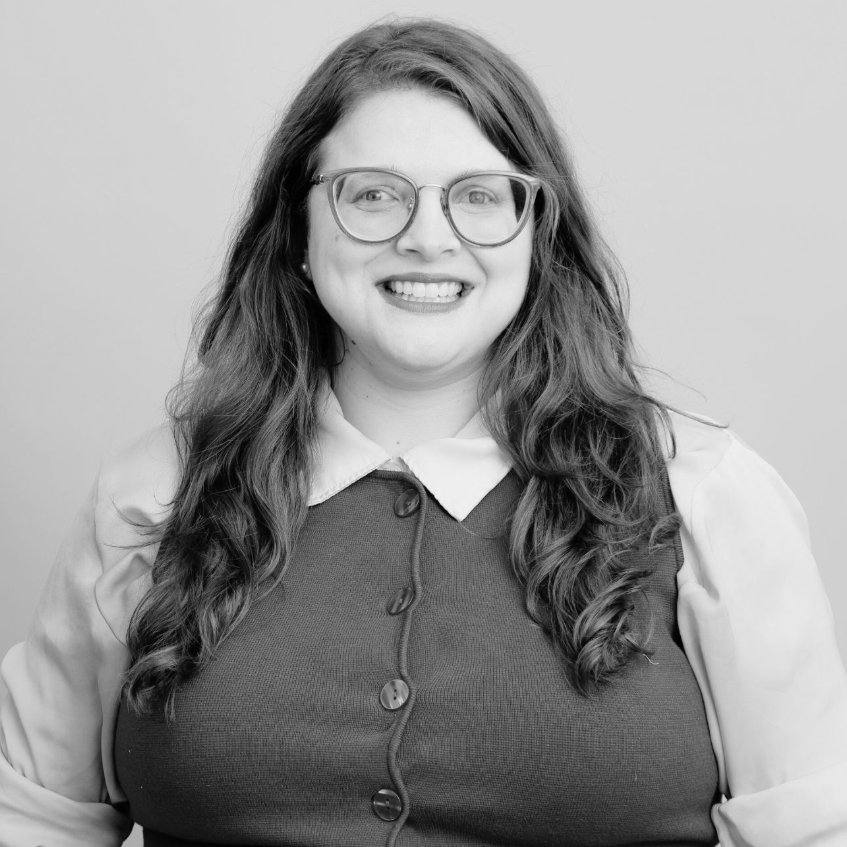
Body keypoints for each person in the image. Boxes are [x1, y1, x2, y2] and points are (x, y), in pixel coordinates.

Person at [1, 17, 846, 847]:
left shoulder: (702, 488)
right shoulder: (154, 492)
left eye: (479, 196)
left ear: (537, 234)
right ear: (298, 230)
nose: (427, 238)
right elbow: (30, 819)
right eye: (373, 194)